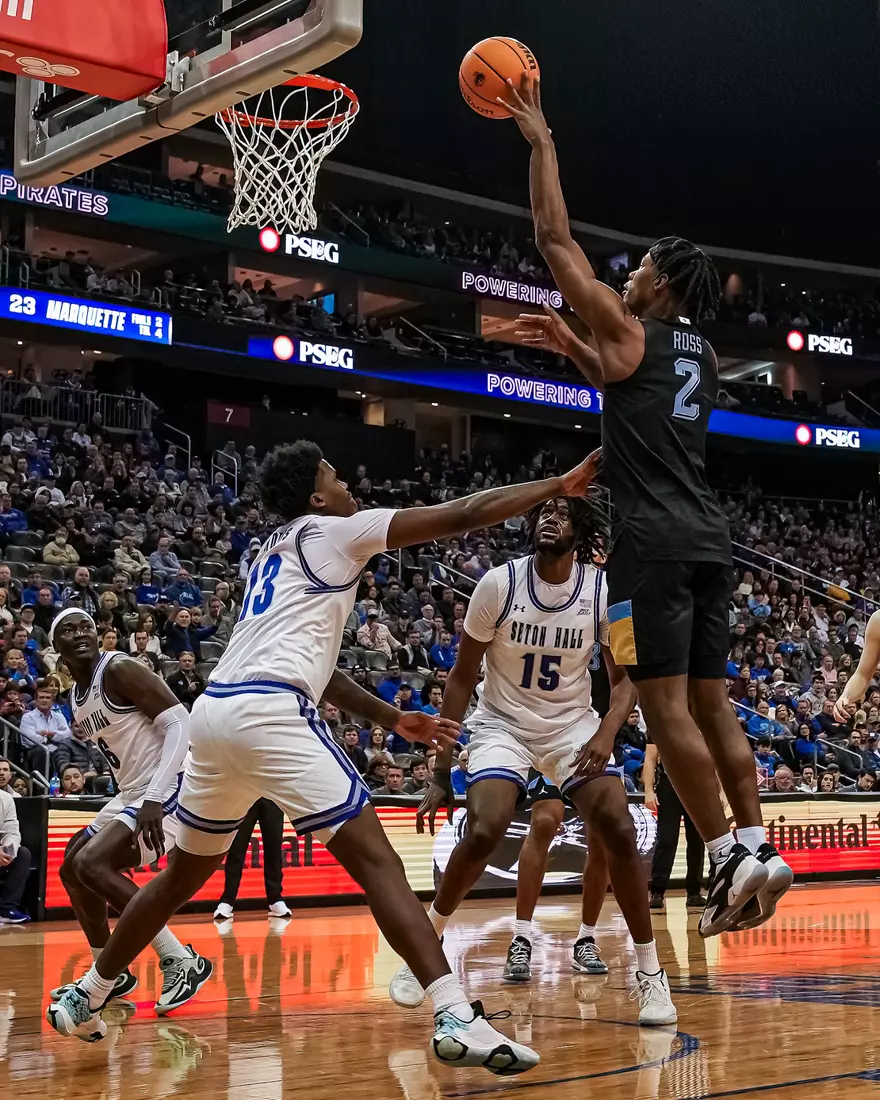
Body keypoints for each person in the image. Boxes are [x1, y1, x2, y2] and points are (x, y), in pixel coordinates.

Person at [49, 440, 597, 1074]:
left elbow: (322, 671)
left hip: (215, 712)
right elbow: (463, 513)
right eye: (335, 476)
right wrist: (558, 483)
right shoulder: (338, 531)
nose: (348, 485)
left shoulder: (269, 553)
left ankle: (86, 995)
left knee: (179, 877)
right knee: (378, 862)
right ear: (315, 496)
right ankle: (454, 1013)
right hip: (269, 713)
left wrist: (392, 718)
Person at [506, 70, 789, 935]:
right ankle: (758, 841)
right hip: (709, 535)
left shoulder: (633, 325)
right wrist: (571, 347)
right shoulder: (697, 350)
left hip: (652, 541)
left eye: (639, 270)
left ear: (660, 280)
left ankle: (731, 857)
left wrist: (542, 140)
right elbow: (627, 389)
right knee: (714, 703)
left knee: (664, 712)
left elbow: (555, 241)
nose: (625, 277)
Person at [397, 493, 676, 1026]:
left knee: (617, 826)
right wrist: (439, 769)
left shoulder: (605, 593)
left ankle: (650, 972)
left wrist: (606, 734)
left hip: (572, 726)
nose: (551, 518)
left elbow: (626, 683)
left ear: (582, 530)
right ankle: (427, 942)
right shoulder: (498, 585)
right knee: (485, 827)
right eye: (543, 512)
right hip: (501, 722)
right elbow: (460, 677)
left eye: (563, 513)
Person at [45, 609, 211, 1039]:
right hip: (132, 790)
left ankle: (179, 959)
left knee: (92, 865)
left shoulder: (117, 667)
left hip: (169, 785)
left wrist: (155, 796)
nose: (80, 633)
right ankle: (112, 972)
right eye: (68, 630)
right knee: (70, 867)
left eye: (86, 626)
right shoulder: (75, 700)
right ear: (55, 647)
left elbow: (179, 721)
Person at [643, 740, 706, 910]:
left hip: (697, 784)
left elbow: (713, 760)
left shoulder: (698, 723)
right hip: (669, 783)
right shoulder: (660, 722)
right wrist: (649, 790)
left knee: (697, 840)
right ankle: (657, 891)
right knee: (667, 840)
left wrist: (720, 791)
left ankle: (694, 892)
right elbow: (649, 759)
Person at [213, 800, 291, 923]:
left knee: (274, 845)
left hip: (270, 793)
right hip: (244, 795)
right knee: (237, 848)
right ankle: (227, 900)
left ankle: (275, 899)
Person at [0, 788, 30, 923]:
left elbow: (11, 831)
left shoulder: (5, 798)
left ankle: (6, 908)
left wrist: (8, 851)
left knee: (23, 854)